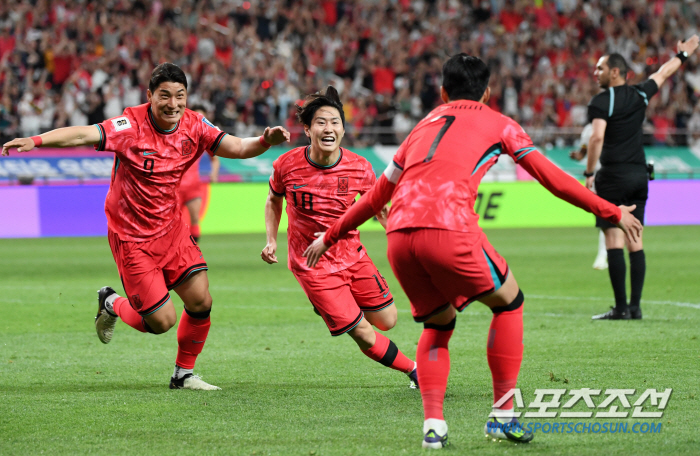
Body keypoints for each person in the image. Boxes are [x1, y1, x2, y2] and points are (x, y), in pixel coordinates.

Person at [303, 54, 642, 449]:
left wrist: (329, 235)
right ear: (487, 92)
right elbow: (552, 178)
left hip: (399, 236)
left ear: (443, 91)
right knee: (509, 302)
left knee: (438, 325)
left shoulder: (422, 126)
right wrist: (610, 209)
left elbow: (379, 193)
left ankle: (434, 426)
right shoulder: (500, 123)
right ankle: (502, 415)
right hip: (449, 226)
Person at [2, 63, 290, 390]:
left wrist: (265, 140)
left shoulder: (195, 124)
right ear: (150, 95)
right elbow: (84, 133)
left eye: (180, 96)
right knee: (161, 321)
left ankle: (183, 375)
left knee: (201, 300)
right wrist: (36, 141)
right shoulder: (129, 125)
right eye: (164, 96)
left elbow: (237, 147)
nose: (173, 104)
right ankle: (111, 302)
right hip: (131, 237)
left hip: (171, 230)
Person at [261, 86, 418, 389]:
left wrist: (403, 239)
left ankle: (330, 305)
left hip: (353, 256)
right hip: (312, 265)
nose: (328, 128)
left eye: (334, 122)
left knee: (387, 320)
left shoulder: (360, 168)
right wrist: (271, 240)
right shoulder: (286, 165)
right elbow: (273, 199)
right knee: (361, 332)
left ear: (344, 130)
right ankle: (415, 371)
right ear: (307, 129)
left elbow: (378, 210)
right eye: (320, 122)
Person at [585, 36, 699, 320]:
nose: (595, 73)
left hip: (612, 176)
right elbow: (663, 73)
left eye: (600, 68)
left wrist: (589, 173)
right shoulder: (640, 94)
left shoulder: (602, 101)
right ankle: (635, 307)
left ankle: (621, 308)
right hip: (639, 174)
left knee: (614, 240)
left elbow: (597, 137)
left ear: (615, 72)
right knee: (636, 239)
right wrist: (683, 56)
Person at [179, 105, 221, 243]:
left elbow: (215, 159)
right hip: (175, 188)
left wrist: (214, 173)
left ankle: (193, 254)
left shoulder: (204, 138)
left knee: (195, 221)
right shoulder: (177, 134)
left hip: (193, 186)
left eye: (202, 118)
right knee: (171, 224)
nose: (199, 120)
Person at [569, 123, 607, 270]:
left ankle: (603, 255)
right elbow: (582, 153)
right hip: (595, 176)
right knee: (600, 215)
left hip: (611, 174)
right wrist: (576, 156)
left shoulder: (612, 124)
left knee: (605, 216)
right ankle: (607, 250)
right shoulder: (588, 130)